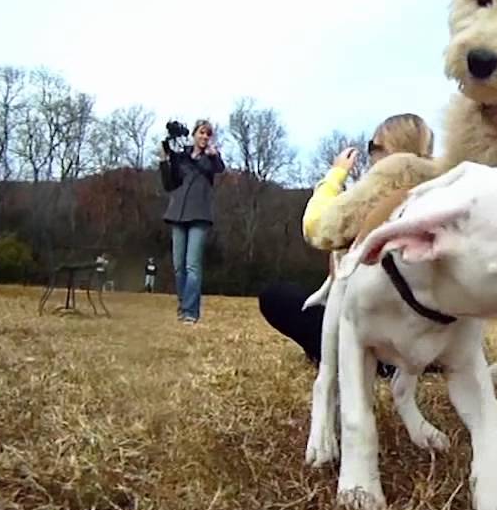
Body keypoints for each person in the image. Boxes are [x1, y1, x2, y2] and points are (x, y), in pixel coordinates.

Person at [259, 113, 435, 369]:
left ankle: (373, 359)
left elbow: (317, 227)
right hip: (430, 331)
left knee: (276, 296)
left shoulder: (381, 189)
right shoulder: (444, 187)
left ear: (390, 150)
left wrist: (335, 175)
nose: (369, 156)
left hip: (378, 323)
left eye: (373, 147)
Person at [159, 119, 225, 324]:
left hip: (199, 216)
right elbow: (169, 184)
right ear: (194, 135)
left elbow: (219, 168)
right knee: (179, 266)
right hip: (178, 213)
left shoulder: (210, 159)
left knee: (192, 266)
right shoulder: (182, 157)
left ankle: (190, 312)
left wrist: (214, 155)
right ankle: (183, 305)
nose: (205, 137)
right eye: (201, 133)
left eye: (208, 134)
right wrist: (164, 161)